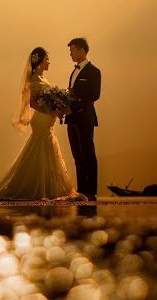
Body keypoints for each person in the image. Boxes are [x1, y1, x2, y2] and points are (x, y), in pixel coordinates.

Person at [0, 47, 84, 201]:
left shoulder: (42, 79)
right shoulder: (35, 80)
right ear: (40, 61)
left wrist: (56, 108)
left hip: (47, 120)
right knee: (42, 150)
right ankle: (40, 188)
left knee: (45, 151)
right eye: (46, 59)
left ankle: (48, 187)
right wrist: (52, 110)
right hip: (41, 121)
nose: (49, 62)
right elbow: (34, 104)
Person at [64, 37, 102, 201]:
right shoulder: (74, 72)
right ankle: (81, 190)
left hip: (85, 118)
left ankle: (91, 190)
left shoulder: (94, 71)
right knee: (77, 155)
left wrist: (74, 107)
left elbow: (94, 95)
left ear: (81, 50)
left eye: (72, 50)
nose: (70, 54)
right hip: (71, 119)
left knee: (88, 153)